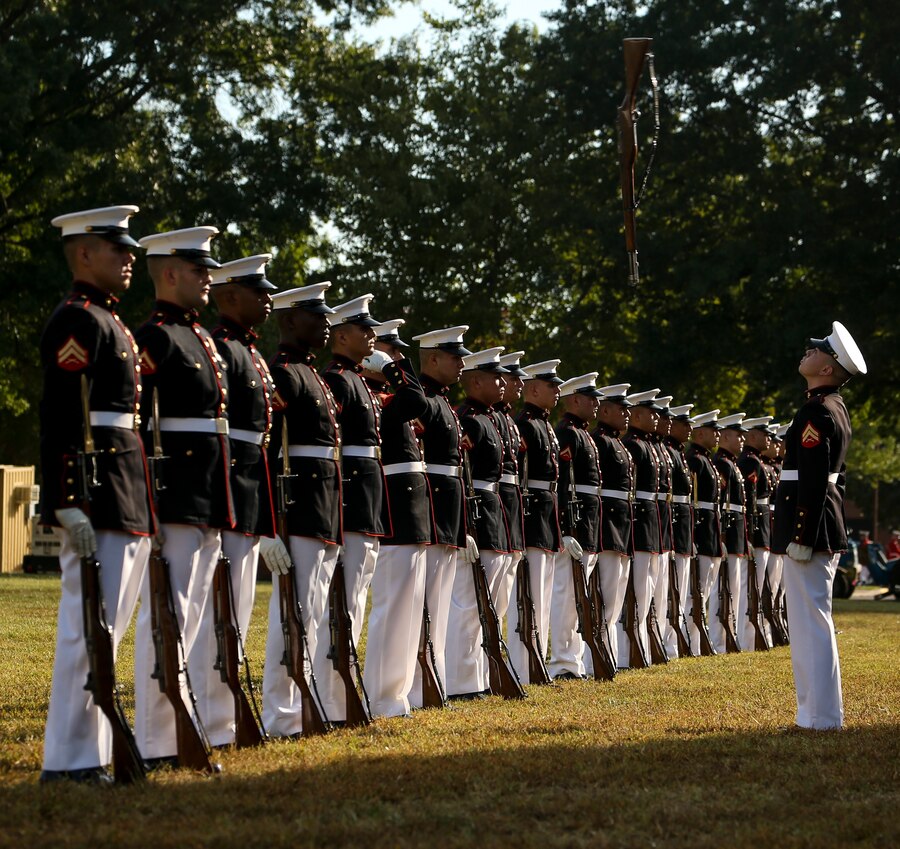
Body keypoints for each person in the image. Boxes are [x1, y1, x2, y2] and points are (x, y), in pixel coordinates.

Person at [40, 205, 154, 784]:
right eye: (118, 249)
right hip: (96, 492)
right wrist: (63, 498)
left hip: (122, 490)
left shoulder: (110, 321)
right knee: (84, 629)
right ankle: (67, 759)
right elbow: (61, 416)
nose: (129, 257)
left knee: (106, 630)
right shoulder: (77, 319)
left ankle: (94, 754)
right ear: (84, 253)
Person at [133, 225, 234, 766]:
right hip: (173, 497)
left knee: (191, 620)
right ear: (169, 273)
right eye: (199, 271)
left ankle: (176, 730)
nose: (208, 278)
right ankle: (155, 740)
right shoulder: (154, 338)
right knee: (165, 622)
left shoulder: (200, 339)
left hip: (205, 498)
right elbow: (139, 426)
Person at [191, 253, 290, 746]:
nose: (267, 300)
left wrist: (267, 522)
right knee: (214, 617)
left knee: (235, 614)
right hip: (226, 498)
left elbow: (263, 452)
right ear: (229, 296)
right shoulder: (224, 350)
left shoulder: (248, 353)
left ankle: (220, 718)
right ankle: (207, 719)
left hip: (247, 502)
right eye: (259, 292)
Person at [773, 320, 866, 729]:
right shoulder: (834, 408)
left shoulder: (816, 410)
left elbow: (813, 481)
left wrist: (801, 536)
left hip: (808, 529)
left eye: (817, 351)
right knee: (813, 622)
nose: (807, 352)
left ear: (828, 369)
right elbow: (833, 480)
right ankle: (816, 714)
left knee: (810, 625)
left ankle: (820, 717)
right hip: (819, 525)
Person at [260, 282, 341, 737]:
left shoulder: (313, 375)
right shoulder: (283, 373)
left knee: (310, 613)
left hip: (323, 511)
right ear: (290, 321)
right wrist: (268, 526)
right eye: (317, 315)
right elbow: (268, 455)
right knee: (291, 614)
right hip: (298, 510)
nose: (326, 323)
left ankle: (301, 701)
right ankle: (281, 714)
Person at [320, 293, 390, 721]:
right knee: (340, 605)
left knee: (355, 602)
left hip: (366, 503)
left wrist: (397, 371)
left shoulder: (359, 381)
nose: (373, 337)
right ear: (342, 335)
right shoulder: (337, 380)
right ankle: (330, 696)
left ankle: (340, 693)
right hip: (347, 500)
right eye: (365, 330)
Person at [360, 319, 431, 717]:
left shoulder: (389, 394)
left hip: (411, 505)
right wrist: (388, 368)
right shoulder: (377, 396)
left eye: (396, 352)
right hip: (392, 504)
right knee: (392, 604)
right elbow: (417, 399)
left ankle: (397, 692)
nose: (398, 359)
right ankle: (381, 694)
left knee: (408, 604)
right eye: (389, 351)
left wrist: (391, 367)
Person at [408, 326, 471, 705]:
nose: (461, 364)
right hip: (429, 509)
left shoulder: (443, 402)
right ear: (432, 358)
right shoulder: (423, 401)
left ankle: (435, 678)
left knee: (440, 604)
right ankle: (418, 684)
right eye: (454, 357)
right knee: (422, 605)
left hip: (447, 512)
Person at [447, 347, 512, 697]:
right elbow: (463, 476)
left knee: (494, 604)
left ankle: (482, 675)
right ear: (475, 381)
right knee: (469, 603)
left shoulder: (487, 418)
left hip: (494, 511)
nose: (502, 383)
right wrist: (465, 527)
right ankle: (460, 680)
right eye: (494, 377)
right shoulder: (468, 419)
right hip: (478, 513)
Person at [506, 359, 564, 683]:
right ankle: (521, 664)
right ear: (534, 389)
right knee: (526, 597)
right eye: (552, 387)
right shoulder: (526, 423)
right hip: (531, 514)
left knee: (541, 594)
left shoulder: (544, 424)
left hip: (546, 513)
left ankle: (536, 661)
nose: (557, 392)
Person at [551, 372, 603, 680]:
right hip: (577, 522)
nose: (596, 403)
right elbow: (563, 484)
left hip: (589, 522)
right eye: (590, 398)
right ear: (573, 400)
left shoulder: (582, 433)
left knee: (578, 596)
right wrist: (566, 529)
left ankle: (574, 660)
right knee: (567, 596)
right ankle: (563, 662)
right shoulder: (568, 433)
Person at [591, 384, 634, 669]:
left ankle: (610, 654)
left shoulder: (617, 442)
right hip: (607, 522)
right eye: (622, 409)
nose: (627, 415)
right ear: (605, 411)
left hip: (622, 522)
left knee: (616, 595)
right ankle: (595, 655)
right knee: (604, 594)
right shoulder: (601, 441)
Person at [619, 388, 662, 666]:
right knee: (634, 591)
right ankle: (628, 650)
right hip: (639, 521)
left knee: (648, 589)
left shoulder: (643, 444)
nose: (657, 418)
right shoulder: (633, 444)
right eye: (651, 412)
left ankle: (640, 647)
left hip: (652, 521)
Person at [685, 410, 723, 656]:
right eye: (713, 430)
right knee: (694, 593)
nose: (717, 435)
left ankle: (696, 642)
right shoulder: (695, 460)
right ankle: (689, 641)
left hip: (711, 531)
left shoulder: (705, 460)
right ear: (699, 433)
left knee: (704, 590)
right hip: (701, 531)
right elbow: (694, 503)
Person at [710, 412, 748, 653]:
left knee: (733, 588)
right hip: (728, 531)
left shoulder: (731, 463)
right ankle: (717, 639)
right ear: (725, 436)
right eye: (737, 436)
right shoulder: (722, 464)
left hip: (737, 532)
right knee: (721, 590)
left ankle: (727, 636)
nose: (741, 441)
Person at [738, 416, 775, 651]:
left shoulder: (755, 461)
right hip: (757, 531)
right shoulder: (750, 462)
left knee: (758, 586)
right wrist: (750, 534)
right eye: (764, 434)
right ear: (752, 436)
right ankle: (746, 638)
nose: (769, 439)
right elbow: (750, 501)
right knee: (749, 586)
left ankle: (753, 636)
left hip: (764, 530)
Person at [663, 403, 695, 657]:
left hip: (676, 528)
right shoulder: (669, 451)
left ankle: (670, 644)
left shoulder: (677, 453)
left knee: (677, 590)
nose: (690, 428)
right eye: (685, 423)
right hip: (666, 527)